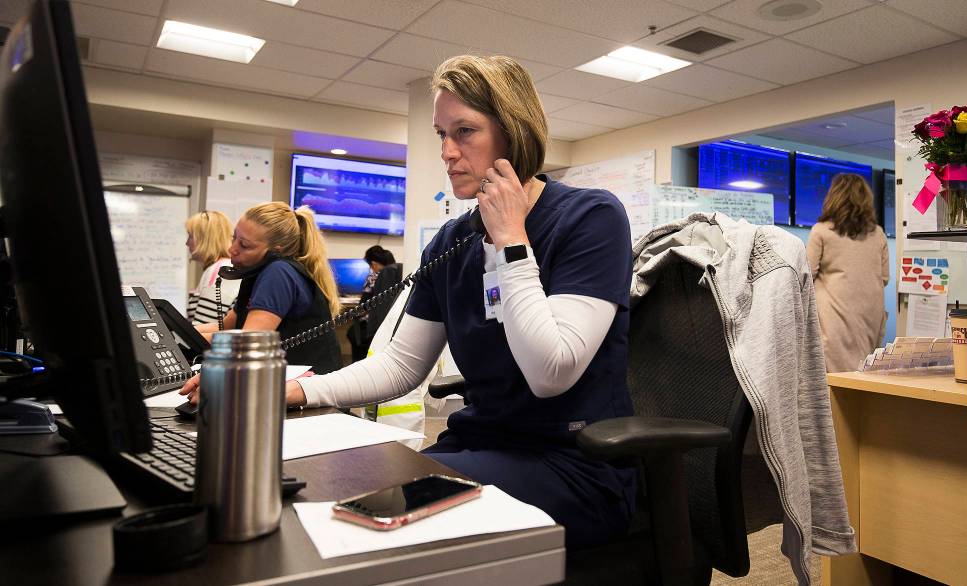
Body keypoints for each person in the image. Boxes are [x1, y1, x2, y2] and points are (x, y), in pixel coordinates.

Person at [248, 55, 635, 549]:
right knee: (317, 482)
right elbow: (400, 367)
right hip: (480, 444)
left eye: (465, 132)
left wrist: (510, 241)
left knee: (359, 513)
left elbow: (549, 372)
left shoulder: (590, 218)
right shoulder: (452, 242)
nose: (447, 152)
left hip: (572, 465)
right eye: (441, 134)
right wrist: (298, 392)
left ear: (513, 134)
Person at [182, 202, 343, 375]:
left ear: (275, 251)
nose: (232, 249)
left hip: (309, 388)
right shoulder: (256, 272)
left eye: (244, 245)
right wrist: (179, 332)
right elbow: (227, 326)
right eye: (234, 238)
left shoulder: (278, 272)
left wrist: (179, 346)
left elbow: (249, 340)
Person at [806, 173, 890, 372]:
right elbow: (884, 278)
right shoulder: (877, 233)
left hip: (832, 316)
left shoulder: (821, 231)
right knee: (863, 373)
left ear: (834, 197)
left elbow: (806, 274)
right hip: (870, 315)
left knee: (833, 379)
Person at [185, 210, 240, 326]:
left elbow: (205, 325)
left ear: (204, 238)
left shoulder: (220, 270)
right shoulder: (220, 267)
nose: (187, 243)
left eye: (190, 236)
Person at [346, 245, 401, 362]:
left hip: (373, 326)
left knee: (351, 333)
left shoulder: (373, 277)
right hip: (392, 325)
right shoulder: (400, 271)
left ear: (374, 264)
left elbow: (362, 306)